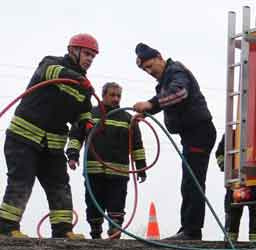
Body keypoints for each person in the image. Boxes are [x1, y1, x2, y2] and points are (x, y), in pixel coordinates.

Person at [0, 34, 97, 239]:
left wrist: (86, 122)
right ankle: (6, 228)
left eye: (92, 56)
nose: (89, 59)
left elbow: (84, 112)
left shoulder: (85, 88)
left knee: (59, 184)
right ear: (73, 51)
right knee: (21, 180)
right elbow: (51, 72)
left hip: (52, 145)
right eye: (87, 54)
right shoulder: (51, 63)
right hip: (23, 137)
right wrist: (79, 79)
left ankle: (63, 230)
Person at [133, 43, 216, 241]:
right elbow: (163, 96)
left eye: (150, 65)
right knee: (189, 181)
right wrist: (148, 110)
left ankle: (191, 231)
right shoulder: (167, 78)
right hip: (192, 134)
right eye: (145, 69)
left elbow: (179, 93)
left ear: (159, 57)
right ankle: (188, 228)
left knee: (192, 182)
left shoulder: (176, 71)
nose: (149, 71)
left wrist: (151, 104)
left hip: (199, 132)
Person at [81, 82, 146, 239]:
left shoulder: (128, 119)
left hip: (119, 173)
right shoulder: (90, 114)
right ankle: (95, 234)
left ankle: (115, 234)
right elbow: (76, 135)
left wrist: (141, 167)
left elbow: (137, 145)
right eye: (112, 95)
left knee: (117, 204)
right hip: (94, 170)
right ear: (103, 95)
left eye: (118, 96)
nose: (116, 99)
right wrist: (72, 154)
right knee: (93, 203)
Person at [214, 134, 256, 241]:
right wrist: (225, 166)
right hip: (237, 181)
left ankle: (255, 244)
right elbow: (219, 153)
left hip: (255, 181)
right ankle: (230, 243)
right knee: (233, 216)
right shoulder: (232, 134)